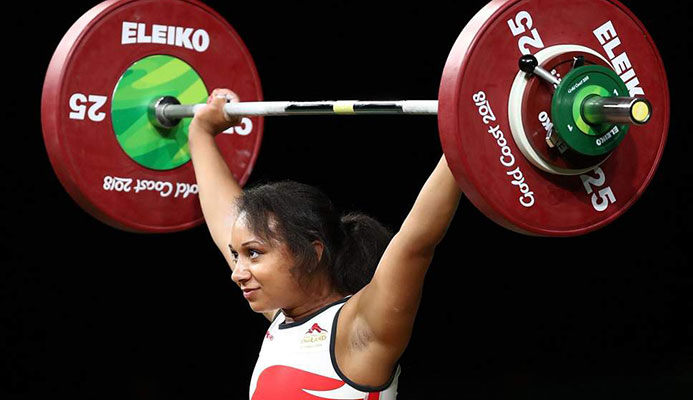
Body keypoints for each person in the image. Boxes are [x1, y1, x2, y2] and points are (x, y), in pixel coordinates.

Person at [188, 88, 462, 399]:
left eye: (254, 254)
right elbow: (225, 218)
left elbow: (416, 242)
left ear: (312, 252)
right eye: (237, 256)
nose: (238, 272)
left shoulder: (360, 329)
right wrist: (201, 132)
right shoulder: (283, 318)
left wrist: (465, 132)